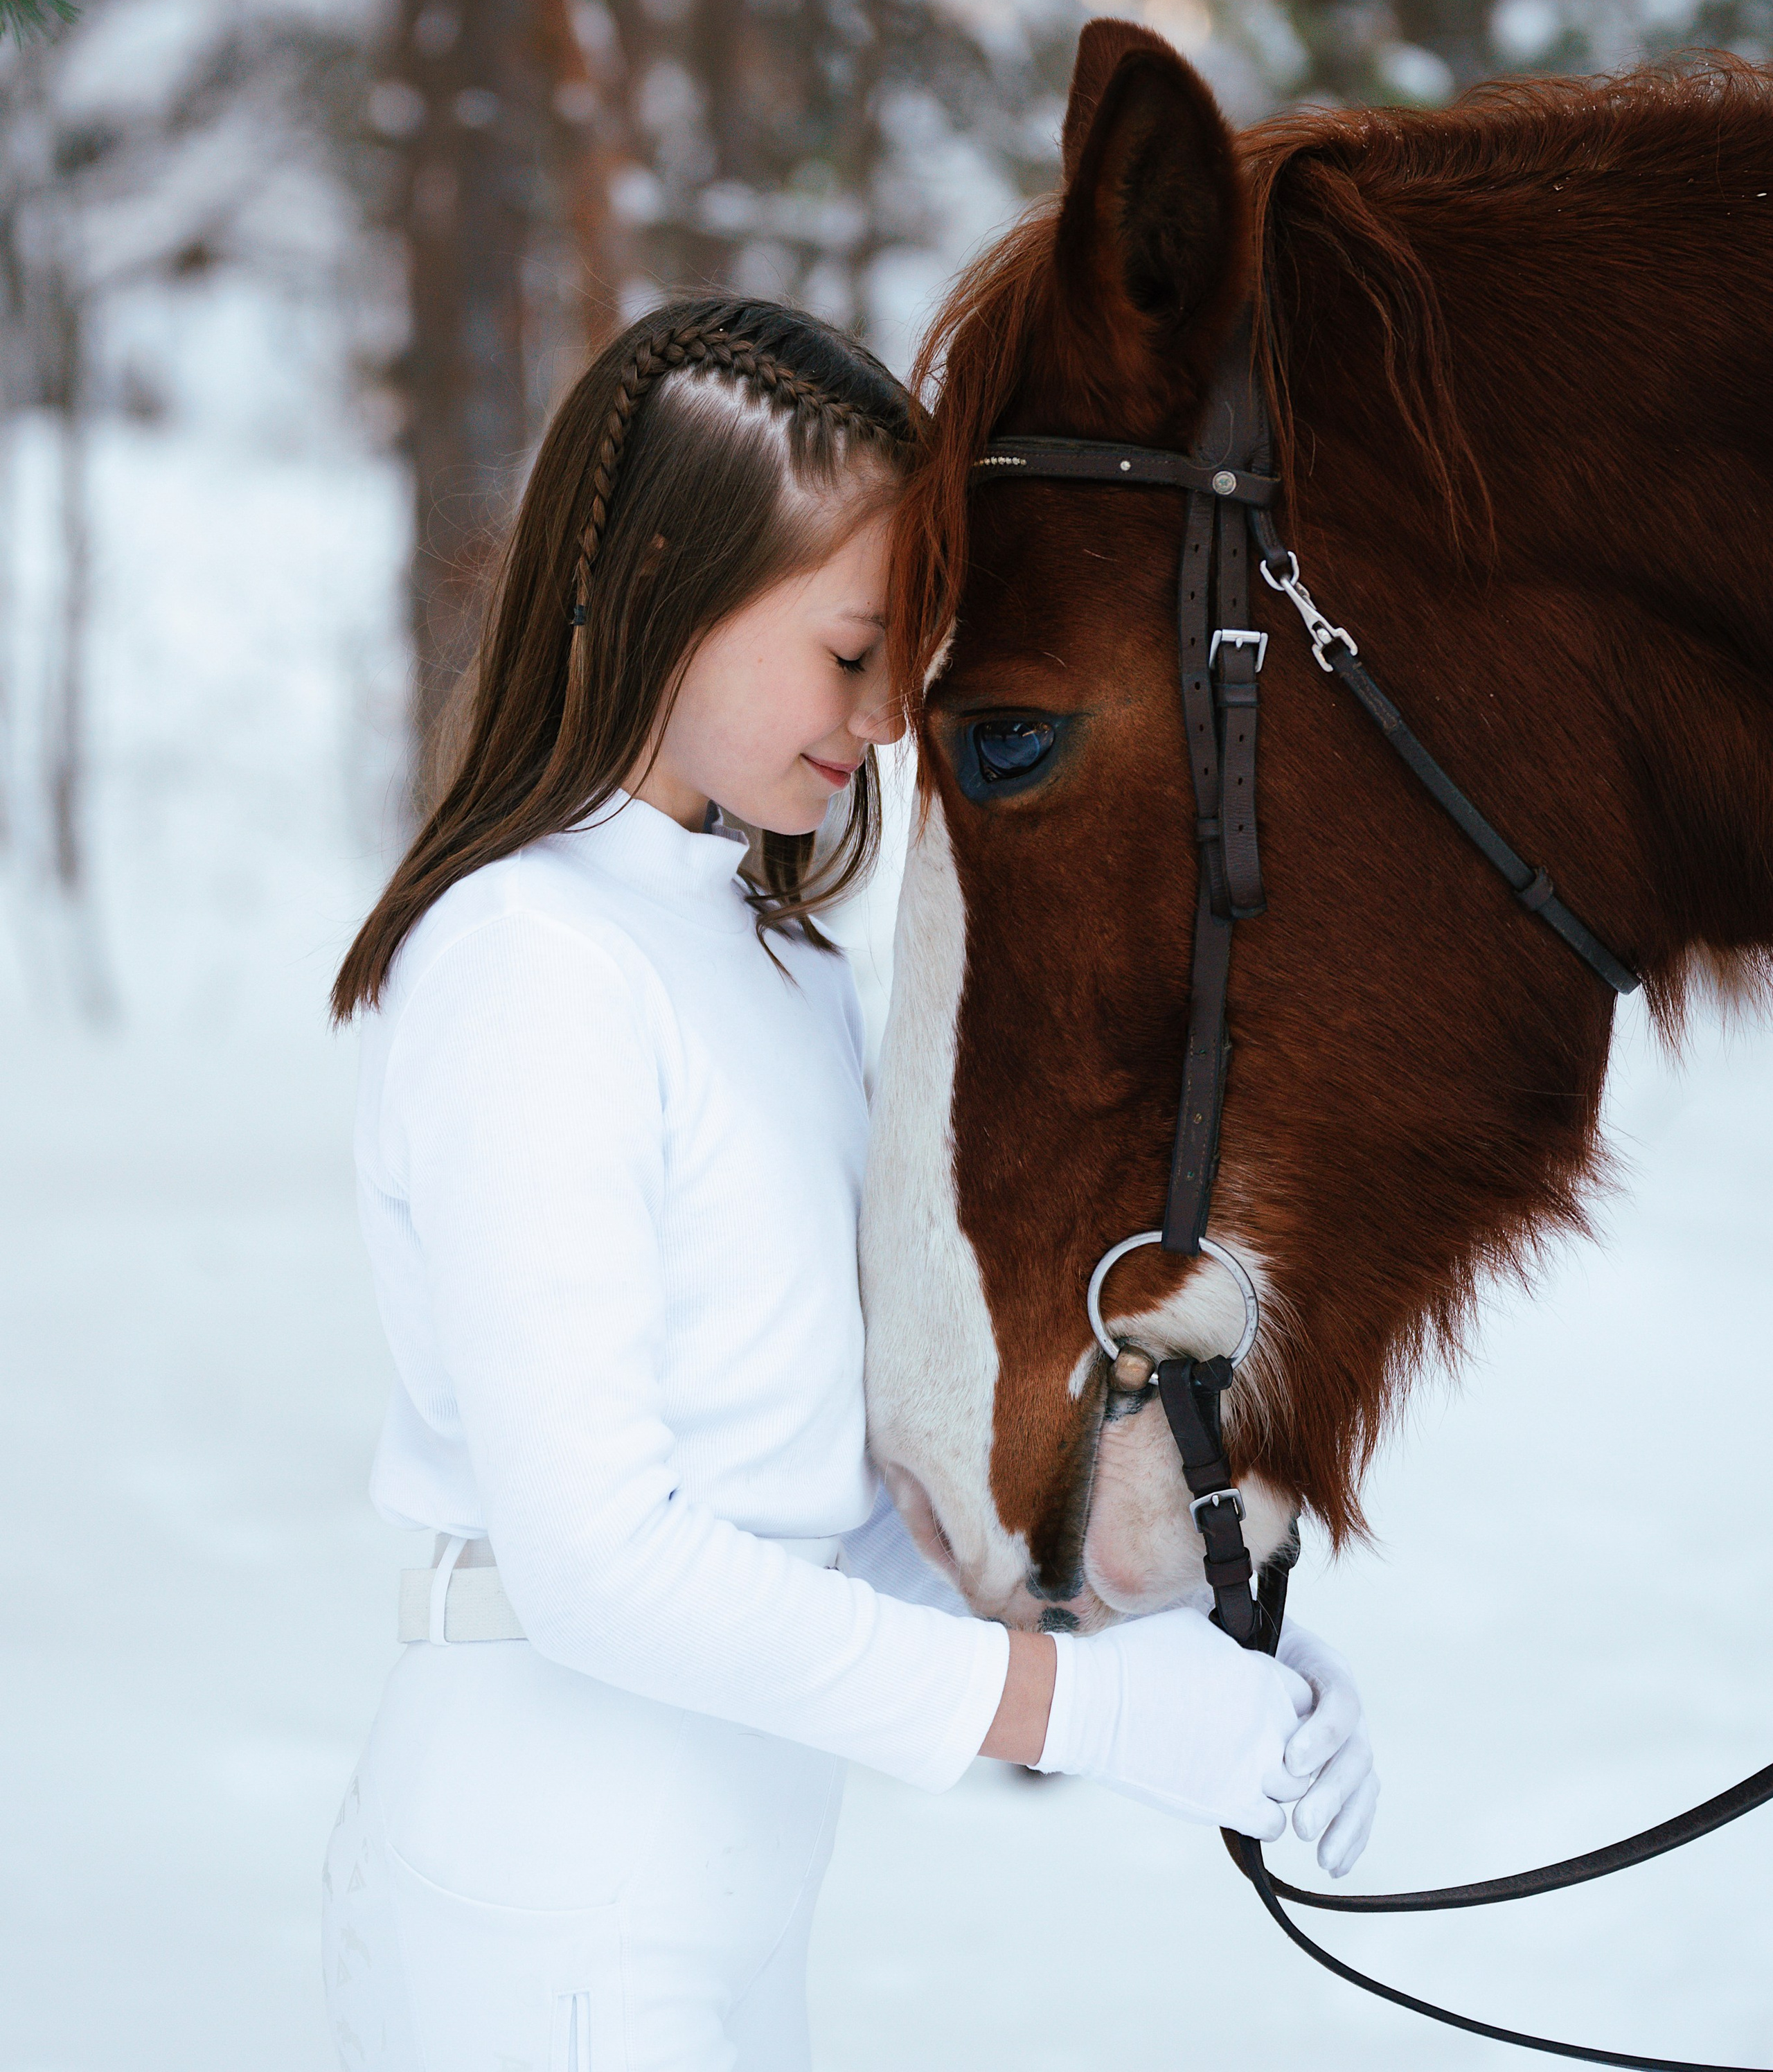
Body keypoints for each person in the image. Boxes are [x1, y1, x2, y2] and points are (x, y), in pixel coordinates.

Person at [321, 297, 1379, 2072]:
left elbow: (814, 1498)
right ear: (669, 588)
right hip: (549, 1879)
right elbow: (599, 1565)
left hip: (715, 1885)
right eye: (848, 650)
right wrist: (1074, 1713)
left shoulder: (775, 964)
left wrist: (1192, 1657)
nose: (892, 714)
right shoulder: (529, 965)